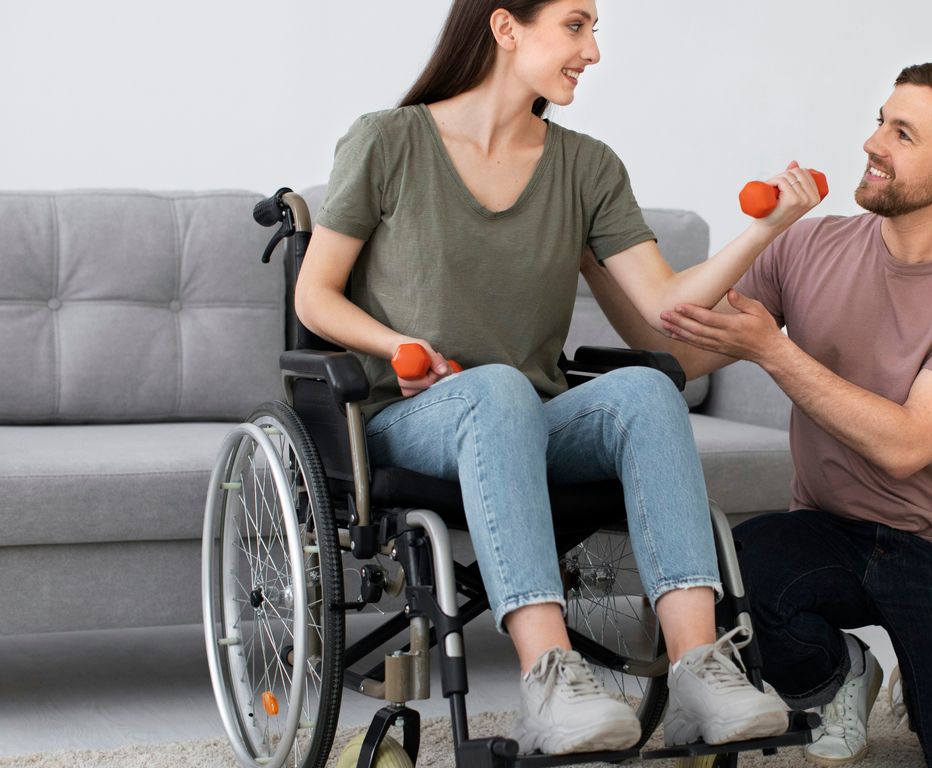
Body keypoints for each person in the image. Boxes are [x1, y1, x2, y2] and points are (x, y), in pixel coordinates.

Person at [293, 0, 823, 756]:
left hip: (530, 417)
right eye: (576, 25)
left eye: (594, 29)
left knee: (644, 388)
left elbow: (662, 305)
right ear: (506, 27)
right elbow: (315, 294)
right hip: (410, 419)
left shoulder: (587, 165)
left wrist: (766, 230)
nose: (595, 51)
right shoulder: (390, 140)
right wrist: (395, 341)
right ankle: (549, 677)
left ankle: (702, 672)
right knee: (499, 385)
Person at [581, 62, 932, 766]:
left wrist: (774, 350)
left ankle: (930, 674)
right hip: (822, 533)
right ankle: (836, 675)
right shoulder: (809, 244)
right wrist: (593, 262)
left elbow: (907, 445)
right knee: (717, 582)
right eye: (881, 119)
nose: (873, 142)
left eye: (903, 132)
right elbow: (679, 352)